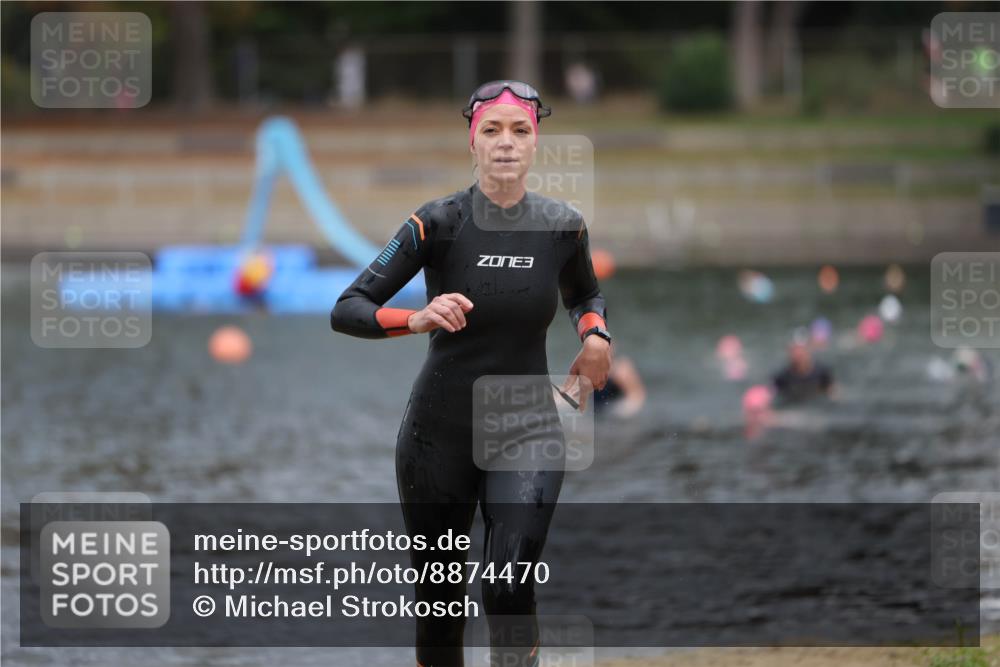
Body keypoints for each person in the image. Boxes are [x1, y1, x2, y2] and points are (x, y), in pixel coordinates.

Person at [330, 80, 612, 667]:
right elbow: (348, 308)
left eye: (520, 131)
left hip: (527, 428)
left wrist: (594, 334)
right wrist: (418, 316)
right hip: (439, 433)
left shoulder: (563, 227)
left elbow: (585, 292)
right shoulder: (436, 223)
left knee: (508, 588)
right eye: (492, 130)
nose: (505, 143)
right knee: (440, 602)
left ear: (536, 144)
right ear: (472, 142)